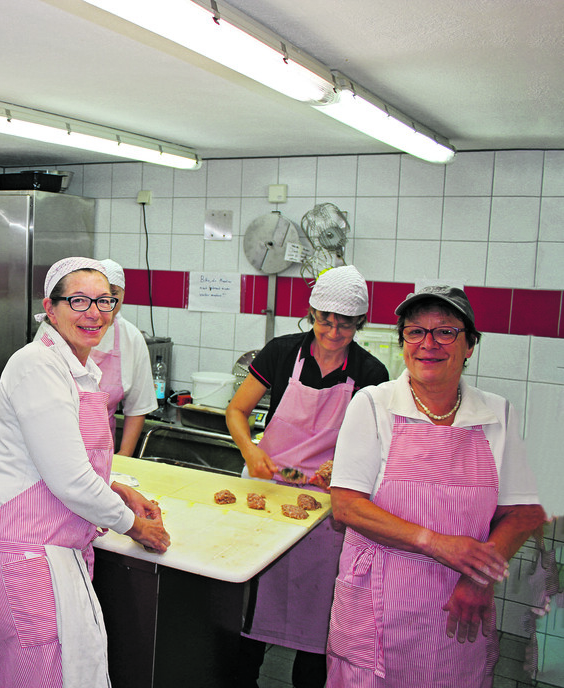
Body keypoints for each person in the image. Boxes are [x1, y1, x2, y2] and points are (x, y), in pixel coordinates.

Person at [0, 257, 170, 688]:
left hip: (50, 548)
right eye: (78, 300)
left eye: (104, 301)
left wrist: (117, 491)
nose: (94, 312)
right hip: (20, 552)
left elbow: (58, 460)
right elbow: (70, 479)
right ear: (50, 308)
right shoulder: (38, 365)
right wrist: (135, 527)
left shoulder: (80, 370)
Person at [326, 285, 545, 687]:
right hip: (377, 605)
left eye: (446, 332)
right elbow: (347, 507)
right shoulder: (373, 405)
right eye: (415, 332)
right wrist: (438, 543)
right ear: (403, 343)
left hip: (458, 606)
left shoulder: (498, 414)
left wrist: (479, 578)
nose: (429, 344)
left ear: (470, 346)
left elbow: (524, 512)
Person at [225, 265, 389, 688]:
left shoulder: (370, 375)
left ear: (360, 324)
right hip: (265, 491)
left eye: (345, 325)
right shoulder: (281, 352)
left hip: (323, 510)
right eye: (324, 321)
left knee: (316, 623)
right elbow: (236, 411)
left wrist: (344, 471)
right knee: (250, 611)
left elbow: (376, 448)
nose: (332, 332)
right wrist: (251, 449)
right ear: (312, 314)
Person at [92, 258, 157, 456]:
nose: (107, 301)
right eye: (100, 293)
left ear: (123, 295)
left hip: (102, 451)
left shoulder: (132, 337)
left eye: (114, 293)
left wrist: (125, 455)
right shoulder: (66, 328)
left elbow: (138, 405)